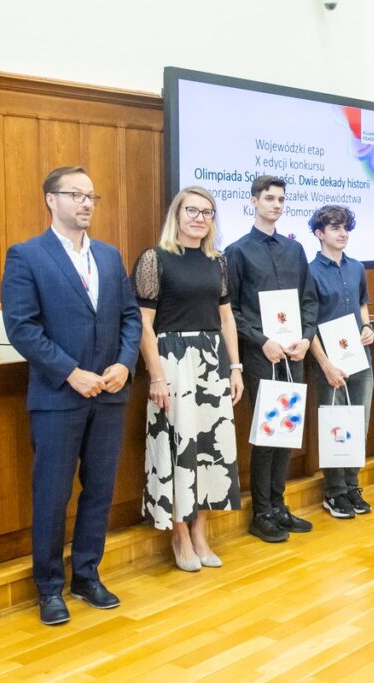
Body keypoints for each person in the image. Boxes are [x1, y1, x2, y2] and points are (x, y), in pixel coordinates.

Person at [1, 166, 142, 625]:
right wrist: (70, 373)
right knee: (53, 495)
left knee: (99, 491)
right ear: (51, 200)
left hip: (109, 395)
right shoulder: (27, 255)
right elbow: (22, 327)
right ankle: (49, 588)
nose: (85, 203)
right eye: (75, 195)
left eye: (91, 197)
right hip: (59, 398)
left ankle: (87, 575)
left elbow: (129, 318)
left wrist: (124, 363)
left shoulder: (108, 255)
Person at [133, 187, 244, 571]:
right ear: (176, 214)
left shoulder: (219, 261)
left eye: (208, 212)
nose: (199, 217)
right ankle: (180, 534)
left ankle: (202, 533)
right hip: (173, 362)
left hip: (213, 361)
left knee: (212, 448)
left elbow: (226, 317)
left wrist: (235, 367)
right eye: (192, 210)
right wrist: (157, 376)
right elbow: (143, 325)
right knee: (179, 447)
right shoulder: (155, 258)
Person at [225, 175, 318, 542]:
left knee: (287, 428)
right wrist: (261, 340)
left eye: (281, 199)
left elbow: (308, 300)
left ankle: (279, 506)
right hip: (260, 355)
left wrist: (307, 338)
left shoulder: (294, 250)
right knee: (267, 433)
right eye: (269, 198)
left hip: (294, 352)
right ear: (253, 201)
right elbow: (231, 309)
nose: (276, 205)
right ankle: (261, 511)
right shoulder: (237, 251)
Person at [308, 205, 374, 519]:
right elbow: (308, 324)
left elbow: (363, 306)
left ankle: (351, 486)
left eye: (346, 227)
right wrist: (325, 364)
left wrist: (368, 328)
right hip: (331, 363)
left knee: (357, 425)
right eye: (335, 228)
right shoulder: (309, 272)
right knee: (336, 426)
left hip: (359, 357)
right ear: (320, 233)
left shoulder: (356, 267)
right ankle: (333, 492)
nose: (343, 233)